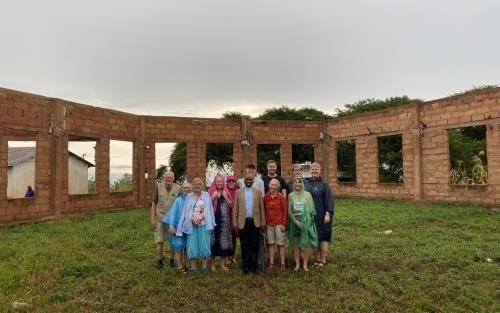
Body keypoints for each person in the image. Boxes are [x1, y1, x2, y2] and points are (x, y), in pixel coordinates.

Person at [176, 177, 215, 274]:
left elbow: (209, 209)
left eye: (199, 184)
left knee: (204, 245)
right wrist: (192, 218)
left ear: (202, 186)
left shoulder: (206, 195)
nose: (197, 186)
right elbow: (186, 211)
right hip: (191, 224)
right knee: (192, 246)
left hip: (204, 224)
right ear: (192, 186)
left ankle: (204, 267)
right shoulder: (189, 196)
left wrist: (201, 218)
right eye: (195, 184)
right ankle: (193, 268)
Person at [233, 175, 266, 274]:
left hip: (255, 222)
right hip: (243, 222)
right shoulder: (238, 192)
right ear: (244, 181)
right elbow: (235, 209)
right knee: (244, 245)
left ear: (253, 181)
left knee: (254, 245)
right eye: (247, 180)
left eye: (250, 180)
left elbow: (262, 209)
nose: (248, 181)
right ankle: (245, 267)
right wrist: (235, 223)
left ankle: (254, 267)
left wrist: (263, 223)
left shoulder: (258, 192)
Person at [306, 162, 334, 268]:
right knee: (314, 237)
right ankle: (316, 259)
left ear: (320, 170)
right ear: (310, 171)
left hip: (323, 216)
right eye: (312, 169)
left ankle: (323, 260)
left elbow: (329, 200)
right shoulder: (307, 183)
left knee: (323, 237)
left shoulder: (324, 184)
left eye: (316, 169)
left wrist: (327, 213)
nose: (314, 170)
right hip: (311, 216)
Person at [287, 176, 318, 272]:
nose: (297, 184)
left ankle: (305, 264)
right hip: (294, 223)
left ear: (302, 183)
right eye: (295, 182)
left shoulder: (307, 194)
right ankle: (297, 264)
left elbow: (311, 209)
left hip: (306, 222)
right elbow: (289, 210)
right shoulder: (291, 195)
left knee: (305, 243)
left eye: (299, 182)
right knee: (295, 243)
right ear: (293, 184)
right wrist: (296, 222)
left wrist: (305, 222)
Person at [151, 171, 180, 269]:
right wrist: (153, 219)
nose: (169, 179)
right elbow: (154, 203)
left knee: (172, 241)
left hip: (172, 220)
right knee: (159, 241)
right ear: (164, 178)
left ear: (173, 178)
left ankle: (172, 260)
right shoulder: (158, 187)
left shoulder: (178, 188)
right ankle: (159, 261)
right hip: (160, 219)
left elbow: (180, 204)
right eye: (167, 177)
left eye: (171, 177)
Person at [163, 182, 191, 273]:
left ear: (190, 189)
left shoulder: (192, 199)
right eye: (184, 188)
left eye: (188, 187)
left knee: (187, 247)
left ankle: (187, 265)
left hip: (189, 228)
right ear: (181, 189)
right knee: (179, 247)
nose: (186, 189)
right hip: (178, 227)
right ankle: (180, 266)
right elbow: (173, 213)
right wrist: (171, 226)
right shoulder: (178, 200)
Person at [208, 174, 234, 271]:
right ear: (215, 182)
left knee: (224, 243)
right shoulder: (211, 191)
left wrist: (225, 197)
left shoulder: (226, 191)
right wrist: (212, 197)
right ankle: (213, 264)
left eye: (221, 181)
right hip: (213, 222)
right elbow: (205, 206)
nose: (219, 183)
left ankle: (222, 264)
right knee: (213, 243)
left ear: (223, 182)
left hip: (224, 222)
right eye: (217, 181)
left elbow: (231, 205)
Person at [263, 178, 287, 272]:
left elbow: (285, 211)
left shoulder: (281, 197)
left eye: (275, 185)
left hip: (279, 224)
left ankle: (282, 263)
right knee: (270, 244)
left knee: (281, 244)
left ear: (278, 186)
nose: (273, 187)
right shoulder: (265, 197)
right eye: (272, 185)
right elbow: (264, 211)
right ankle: (271, 263)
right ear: (269, 185)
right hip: (269, 224)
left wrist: (283, 224)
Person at [226, 175, 239, 264]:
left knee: (233, 239)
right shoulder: (224, 190)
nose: (231, 182)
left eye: (233, 181)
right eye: (229, 181)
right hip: (226, 218)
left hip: (235, 218)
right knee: (226, 238)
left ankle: (233, 257)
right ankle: (227, 257)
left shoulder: (238, 191)